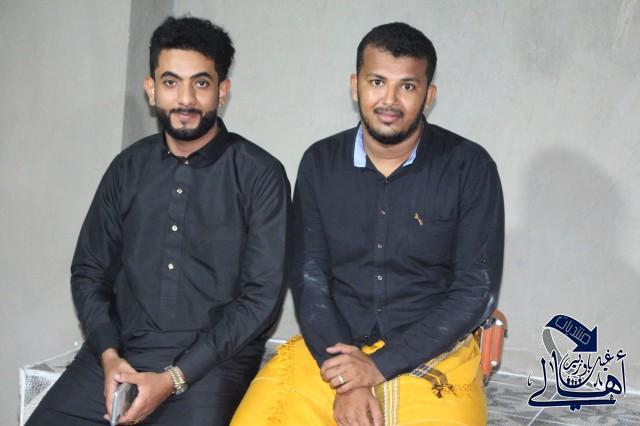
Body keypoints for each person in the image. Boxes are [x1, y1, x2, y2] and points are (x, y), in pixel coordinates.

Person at [232, 22, 504, 426]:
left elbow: (474, 290)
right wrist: (349, 379)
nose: (389, 100)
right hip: (331, 348)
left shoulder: (469, 167)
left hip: (433, 353)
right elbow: (309, 277)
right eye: (377, 82)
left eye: (407, 86)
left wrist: (376, 367)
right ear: (355, 85)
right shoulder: (320, 163)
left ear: (428, 95)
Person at [27, 16, 289, 426]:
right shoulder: (127, 168)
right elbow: (89, 271)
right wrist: (109, 355)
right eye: (171, 82)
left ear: (222, 91)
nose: (185, 99)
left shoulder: (259, 175)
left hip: (212, 364)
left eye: (201, 83)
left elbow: (261, 299)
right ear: (151, 89)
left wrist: (173, 379)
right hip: (120, 353)